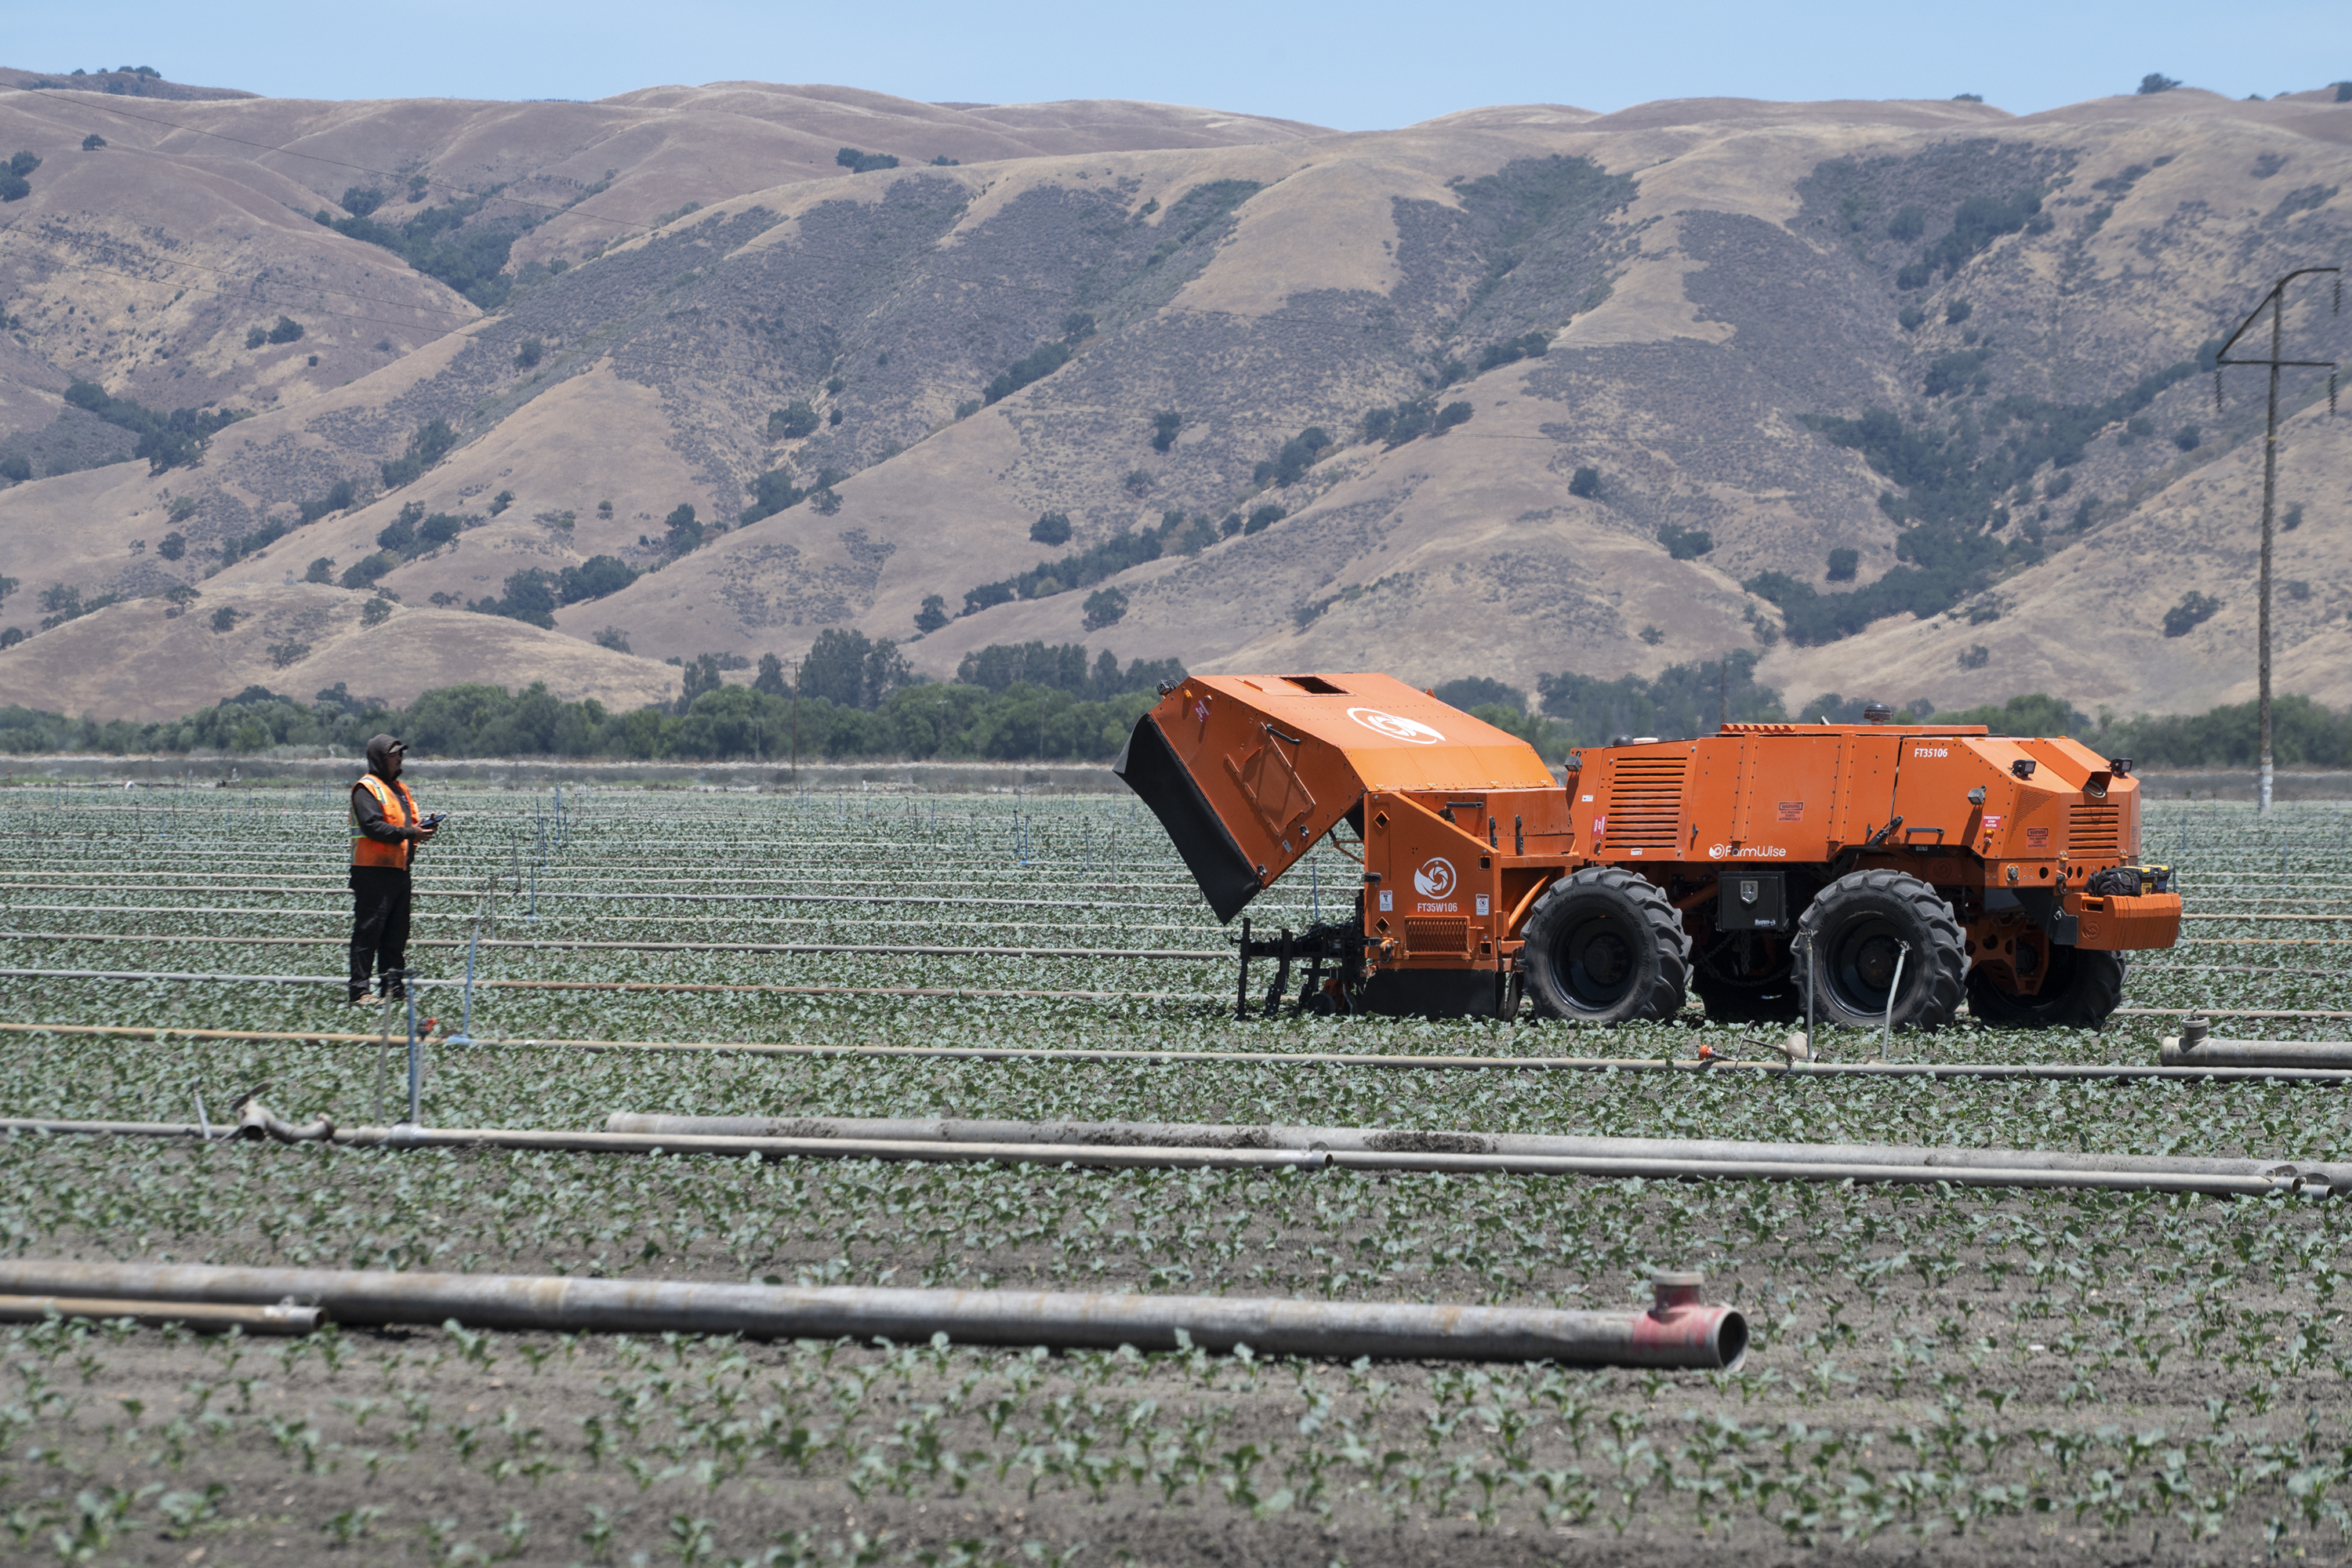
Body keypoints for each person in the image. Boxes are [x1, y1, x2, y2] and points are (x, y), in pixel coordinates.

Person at [349, 734, 437, 1004]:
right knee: (368, 931)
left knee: (396, 934)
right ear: (378, 759)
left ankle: (393, 988)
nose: (399, 759)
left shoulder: (400, 789)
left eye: (401, 754)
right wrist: (410, 832)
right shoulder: (366, 789)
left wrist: (423, 827)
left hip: (399, 870)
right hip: (372, 871)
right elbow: (372, 826)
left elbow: (406, 823)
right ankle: (360, 991)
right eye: (393, 755)